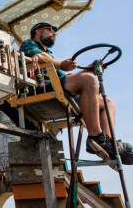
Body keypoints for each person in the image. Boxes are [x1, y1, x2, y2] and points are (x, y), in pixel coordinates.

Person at [20, 22, 133, 164]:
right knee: (88, 80)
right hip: (39, 89)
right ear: (38, 31)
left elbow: (68, 77)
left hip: (56, 85)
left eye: (55, 31)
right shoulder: (29, 44)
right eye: (51, 30)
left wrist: (88, 71)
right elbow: (40, 58)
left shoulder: (51, 56)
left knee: (107, 102)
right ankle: (96, 136)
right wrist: (61, 64)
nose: (54, 33)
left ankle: (107, 143)